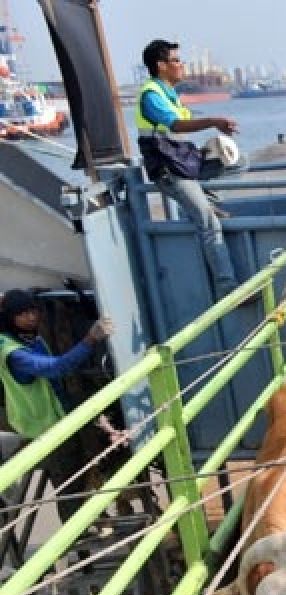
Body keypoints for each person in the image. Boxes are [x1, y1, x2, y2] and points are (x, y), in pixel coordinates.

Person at [136, 38, 243, 298]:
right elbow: (174, 126)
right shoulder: (152, 95)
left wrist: (217, 134)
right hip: (168, 169)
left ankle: (207, 200)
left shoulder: (170, 94)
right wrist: (213, 121)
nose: (182, 65)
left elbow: (182, 124)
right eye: (176, 60)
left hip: (182, 160)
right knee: (209, 223)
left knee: (236, 160)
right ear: (161, 66)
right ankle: (228, 288)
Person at [0, 290, 114, 523]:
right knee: (69, 483)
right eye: (22, 314)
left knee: (86, 464)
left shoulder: (30, 338)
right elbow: (56, 368)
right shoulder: (13, 352)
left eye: (33, 311)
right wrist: (90, 339)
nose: (31, 317)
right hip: (42, 428)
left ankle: (92, 518)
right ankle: (77, 540)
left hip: (56, 415)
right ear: (10, 317)